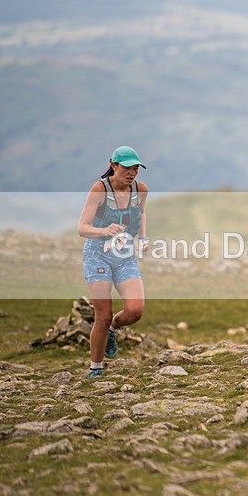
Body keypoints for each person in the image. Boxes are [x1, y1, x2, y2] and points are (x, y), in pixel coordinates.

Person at [77, 146, 150, 378]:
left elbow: (141, 214)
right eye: (127, 167)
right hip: (97, 254)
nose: (132, 173)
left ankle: (112, 329)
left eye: (136, 168)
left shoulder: (141, 190)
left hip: (125, 254)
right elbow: (82, 228)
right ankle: (95, 368)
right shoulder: (99, 189)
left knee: (135, 310)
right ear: (114, 165)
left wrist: (143, 237)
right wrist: (104, 230)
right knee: (103, 314)